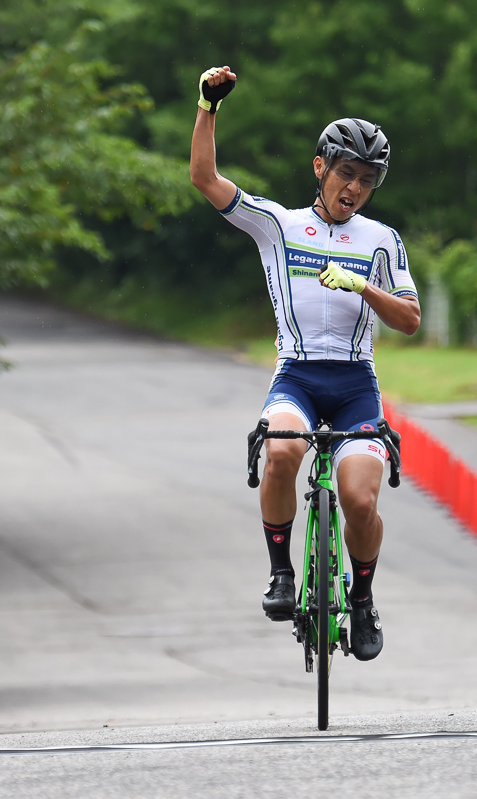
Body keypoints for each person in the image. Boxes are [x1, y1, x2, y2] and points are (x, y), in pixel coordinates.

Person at [190, 66, 421, 662]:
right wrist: (208, 108)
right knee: (283, 452)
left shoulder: (381, 240)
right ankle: (280, 573)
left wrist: (363, 288)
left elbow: (410, 320)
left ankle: (363, 599)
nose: (355, 189)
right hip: (296, 376)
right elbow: (204, 178)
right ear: (321, 168)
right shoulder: (279, 226)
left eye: (368, 181)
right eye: (347, 174)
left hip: (354, 386)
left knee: (361, 501)